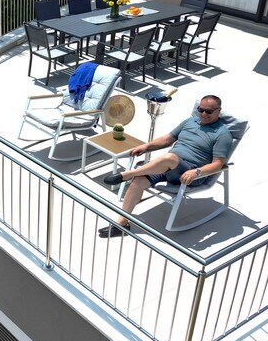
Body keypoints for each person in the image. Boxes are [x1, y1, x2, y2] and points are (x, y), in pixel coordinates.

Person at [99, 95, 232, 238]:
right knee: (137, 182)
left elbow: (218, 164)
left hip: (189, 175)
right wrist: (146, 146)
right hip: (167, 167)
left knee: (169, 158)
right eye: (201, 110)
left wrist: (197, 172)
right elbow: (167, 139)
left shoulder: (222, 134)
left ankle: (126, 175)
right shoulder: (190, 121)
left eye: (209, 111)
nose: (203, 114)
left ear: (218, 111)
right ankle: (121, 224)